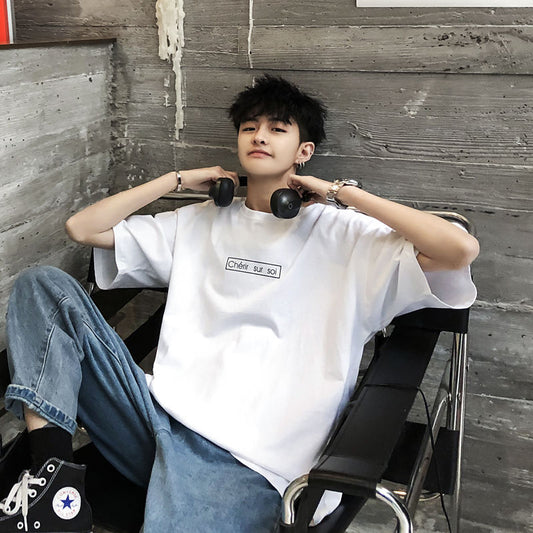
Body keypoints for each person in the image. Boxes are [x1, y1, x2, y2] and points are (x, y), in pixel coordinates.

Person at [0, 75, 479, 533]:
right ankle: (53, 486)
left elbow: (458, 249)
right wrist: (177, 179)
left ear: (305, 151)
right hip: (154, 418)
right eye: (250, 127)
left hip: (248, 459)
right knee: (43, 287)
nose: (259, 136)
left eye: (277, 128)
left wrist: (339, 193)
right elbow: (82, 229)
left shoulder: (348, 236)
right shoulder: (199, 221)